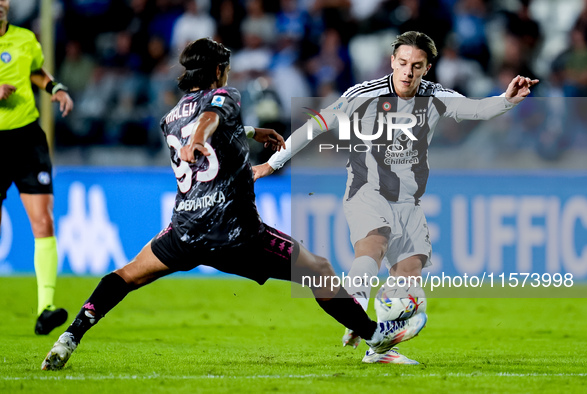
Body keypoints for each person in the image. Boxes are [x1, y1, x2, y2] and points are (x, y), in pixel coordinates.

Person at [41, 38, 427, 371]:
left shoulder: (169, 119)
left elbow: (205, 126)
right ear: (219, 70)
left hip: (185, 230)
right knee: (319, 269)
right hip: (235, 231)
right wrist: (201, 139)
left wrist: (249, 131)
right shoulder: (226, 96)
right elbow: (209, 119)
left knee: (126, 276)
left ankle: (69, 338)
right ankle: (376, 338)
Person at [252, 31, 539, 363]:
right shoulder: (363, 94)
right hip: (366, 189)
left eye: (416, 66)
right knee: (374, 242)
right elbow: (316, 125)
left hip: (408, 201)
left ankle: (377, 349)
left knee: (409, 278)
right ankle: (354, 310)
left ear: (427, 68)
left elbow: (475, 109)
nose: (408, 72)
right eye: (402, 63)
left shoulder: (435, 96)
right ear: (392, 62)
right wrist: (273, 164)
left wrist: (506, 99)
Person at [0, 0, 73, 335]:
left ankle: (46, 308)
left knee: (44, 220)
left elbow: (35, 70)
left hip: (27, 139)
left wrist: (55, 89)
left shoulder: (25, 38)